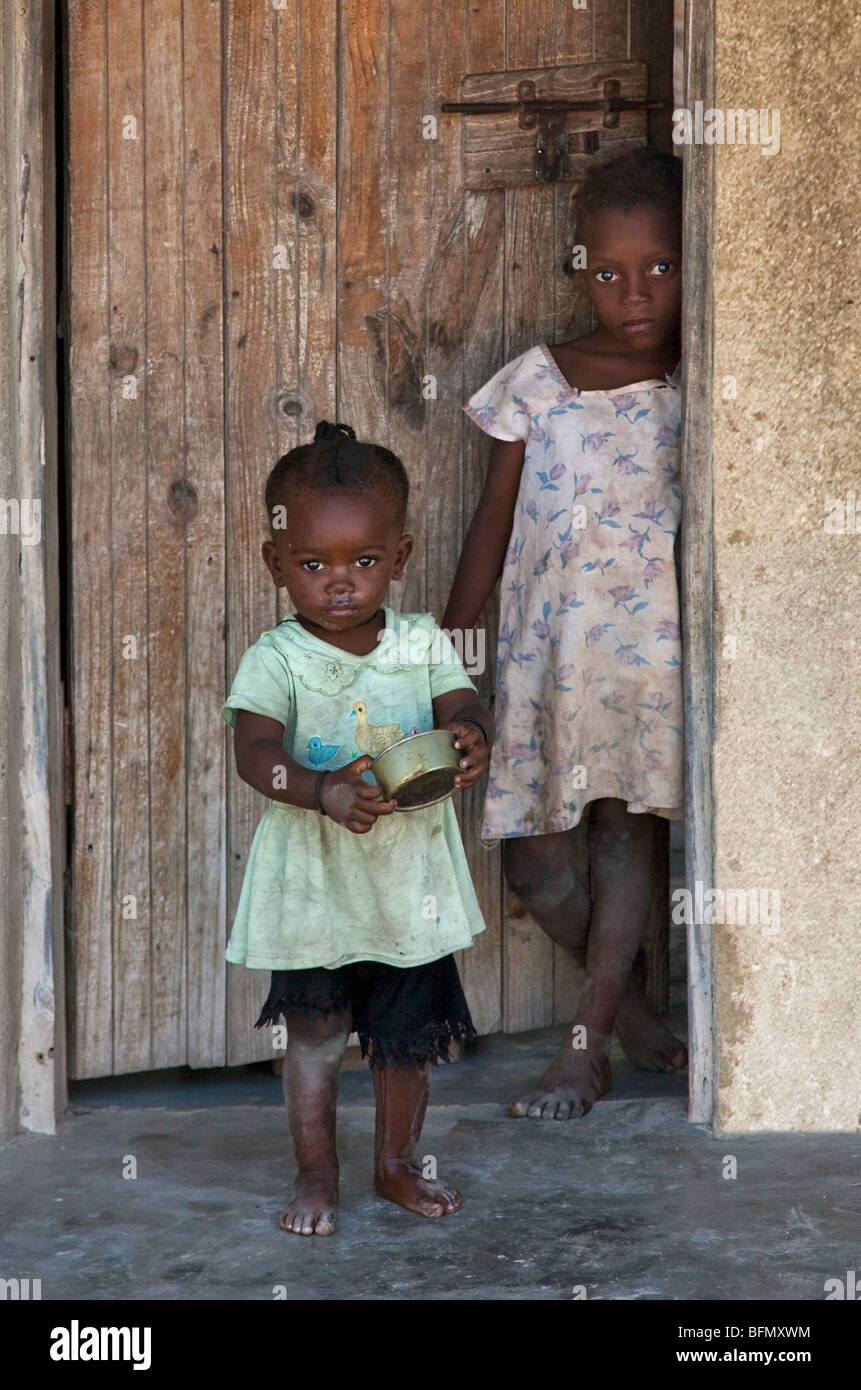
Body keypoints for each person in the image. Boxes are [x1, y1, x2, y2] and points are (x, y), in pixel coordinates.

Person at [443, 148, 688, 1120]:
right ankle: (627, 1011)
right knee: (538, 861)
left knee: (628, 832)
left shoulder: (698, 382)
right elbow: (488, 532)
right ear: (578, 266)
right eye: (610, 271)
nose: (636, 293)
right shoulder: (534, 385)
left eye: (662, 267)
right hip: (546, 660)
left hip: (650, 665)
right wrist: (452, 667)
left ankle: (584, 1044)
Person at [222, 421, 492, 1235]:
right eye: (313, 565)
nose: (339, 583)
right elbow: (253, 753)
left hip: (410, 885)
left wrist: (473, 736)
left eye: (363, 562)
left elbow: (459, 706)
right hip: (314, 883)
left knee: (404, 1042)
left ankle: (396, 1165)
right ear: (277, 565)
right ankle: (315, 1174)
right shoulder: (277, 658)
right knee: (315, 1032)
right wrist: (315, 790)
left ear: (400, 558)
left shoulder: (419, 642)